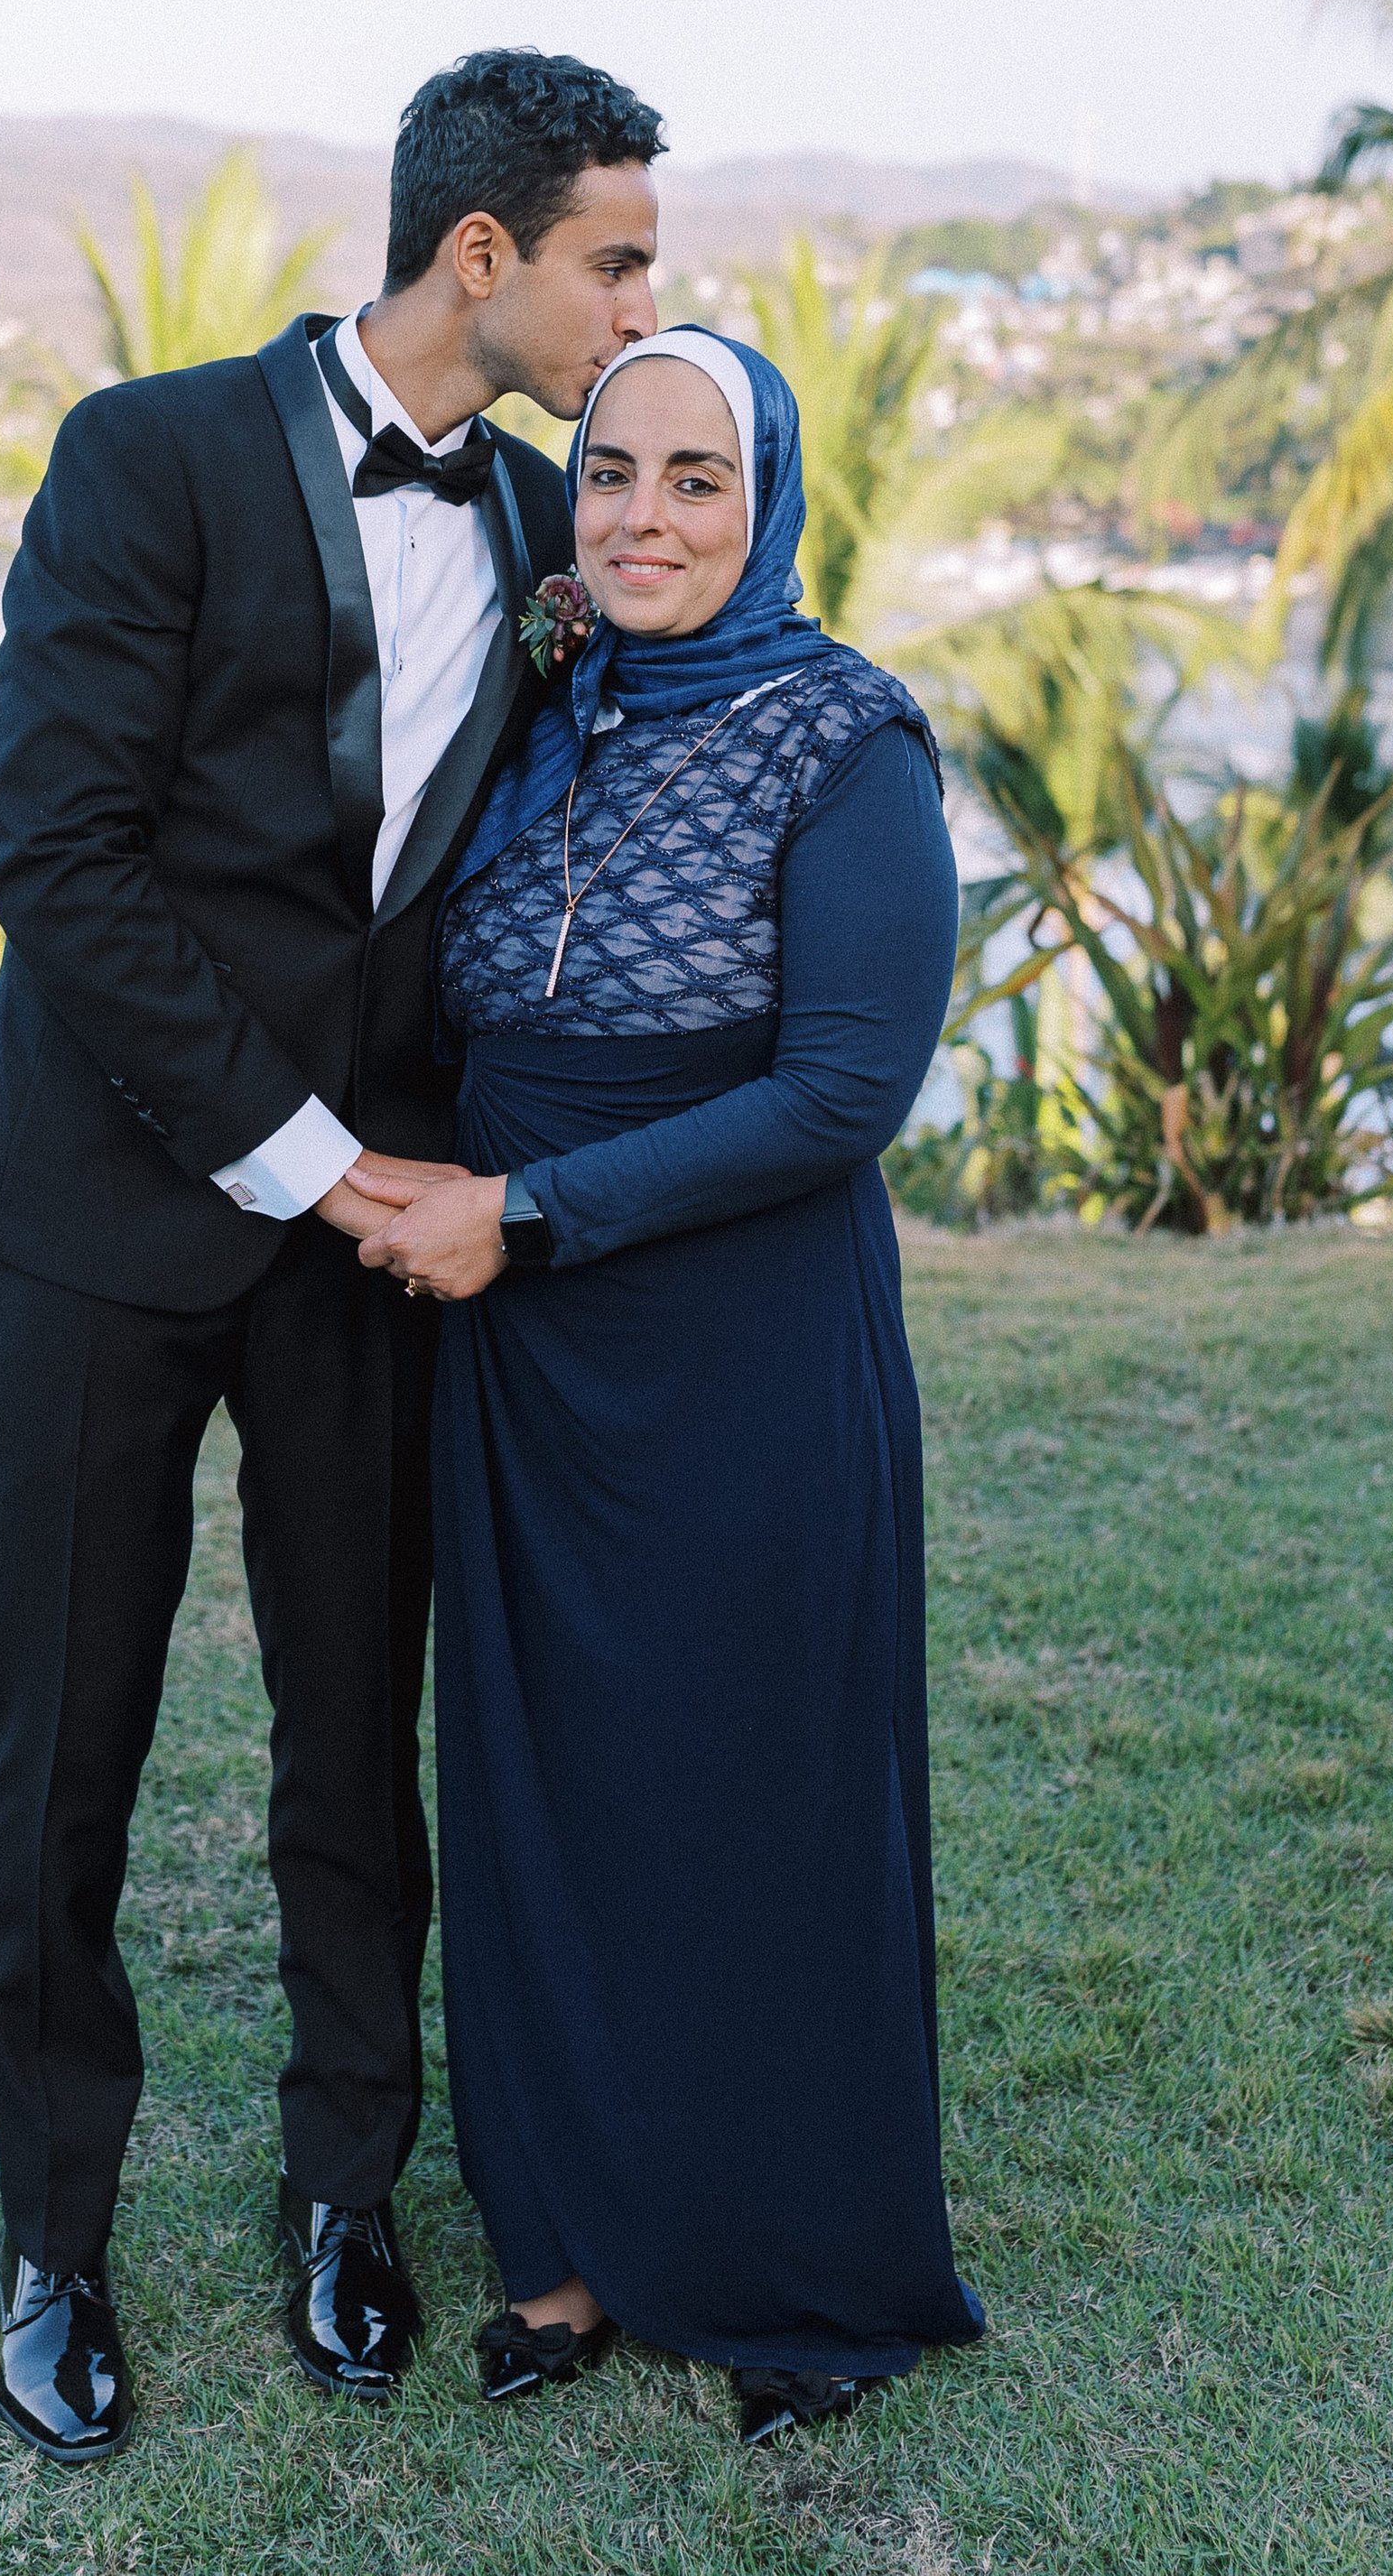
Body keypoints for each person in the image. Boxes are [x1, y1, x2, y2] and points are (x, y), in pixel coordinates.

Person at [0, 50, 666, 2465]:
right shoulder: (143, 456)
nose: (641, 299)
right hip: (102, 1218)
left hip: (380, 1255)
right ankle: (56, 2235)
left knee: (361, 1739)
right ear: (486, 257)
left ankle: (348, 2198)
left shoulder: (558, 519)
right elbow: (66, 856)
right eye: (615, 258)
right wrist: (310, 1157)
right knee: (66, 1755)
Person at [358, 327, 987, 2446]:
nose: (639, 517)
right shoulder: (540, 707)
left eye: (694, 481)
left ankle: (793, 2268)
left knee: (749, 1788)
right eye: (607, 473)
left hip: (731, 1340)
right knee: (542, 1782)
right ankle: (561, 2240)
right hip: (526, 1354)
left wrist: (520, 1207)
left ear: (769, 499)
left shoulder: (845, 736)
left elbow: (836, 1093)